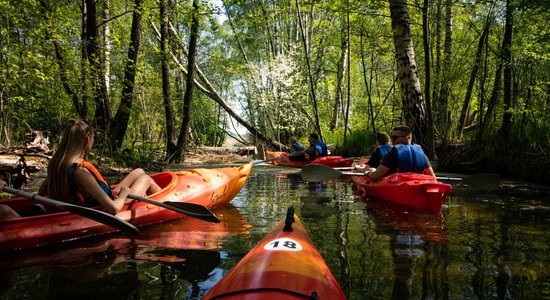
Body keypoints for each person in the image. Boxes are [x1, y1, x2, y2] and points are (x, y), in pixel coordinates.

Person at [38, 119, 162, 214]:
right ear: (87, 140)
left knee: (139, 171)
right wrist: (124, 194)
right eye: (93, 138)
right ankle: (164, 205)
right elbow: (113, 208)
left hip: (101, 198)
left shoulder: (58, 164)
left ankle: (153, 199)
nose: (93, 141)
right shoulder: (80, 171)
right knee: (146, 179)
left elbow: (41, 192)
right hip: (106, 205)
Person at [363, 125, 435, 181]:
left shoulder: (393, 153)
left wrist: (369, 173)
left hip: (398, 187)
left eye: (394, 137)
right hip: (416, 186)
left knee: (372, 170)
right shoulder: (422, 155)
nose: (391, 140)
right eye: (391, 137)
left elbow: (375, 176)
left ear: (407, 137)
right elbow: (433, 178)